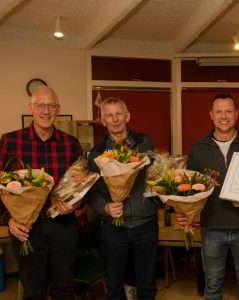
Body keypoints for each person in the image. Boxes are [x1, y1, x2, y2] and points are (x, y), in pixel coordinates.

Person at [176, 94, 239, 300]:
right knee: (212, 286)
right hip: (211, 227)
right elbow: (187, 190)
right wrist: (184, 212)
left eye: (229, 111)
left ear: (236, 114)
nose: (224, 116)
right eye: (219, 112)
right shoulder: (197, 148)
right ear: (211, 115)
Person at [0, 86, 82, 300]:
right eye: (41, 105)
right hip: (27, 229)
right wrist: (9, 219)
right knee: (33, 292)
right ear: (30, 108)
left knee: (65, 290)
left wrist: (76, 203)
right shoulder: (10, 141)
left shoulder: (71, 143)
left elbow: (80, 185)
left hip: (64, 226)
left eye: (52, 106)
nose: (46, 111)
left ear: (58, 110)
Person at [87, 97, 157, 300]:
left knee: (147, 283)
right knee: (115, 284)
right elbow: (91, 192)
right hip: (113, 227)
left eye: (118, 114)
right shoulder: (96, 154)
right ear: (103, 120)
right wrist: (106, 207)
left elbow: (156, 176)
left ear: (127, 116)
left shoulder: (144, 143)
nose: (115, 119)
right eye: (109, 115)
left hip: (145, 224)